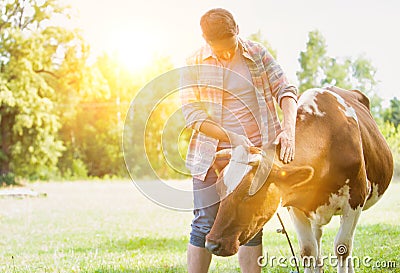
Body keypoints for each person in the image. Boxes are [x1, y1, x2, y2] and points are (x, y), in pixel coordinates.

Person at [180, 8, 298, 273]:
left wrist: (288, 130)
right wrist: (233, 138)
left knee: (250, 226)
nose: (225, 54)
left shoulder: (257, 54)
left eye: (230, 47)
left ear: (237, 31)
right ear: (204, 38)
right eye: (218, 49)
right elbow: (192, 115)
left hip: (256, 158)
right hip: (212, 157)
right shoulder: (193, 63)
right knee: (203, 223)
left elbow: (286, 90)